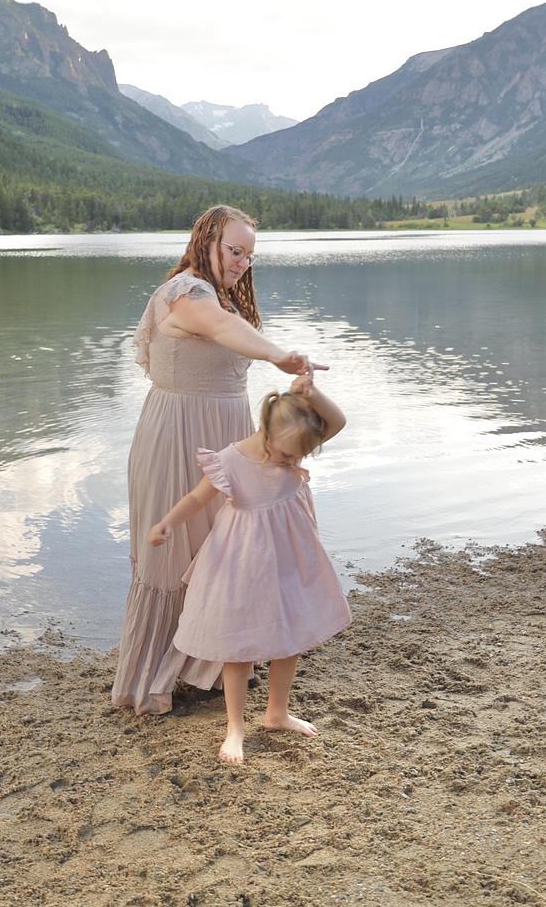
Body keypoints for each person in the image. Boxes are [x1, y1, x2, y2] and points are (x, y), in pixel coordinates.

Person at [111, 205, 324, 715]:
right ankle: (160, 670)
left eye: (249, 255)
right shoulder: (184, 293)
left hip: (228, 433)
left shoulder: (224, 296)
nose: (241, 262)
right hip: (178, 434)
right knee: (176, 551)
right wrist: (277, 354)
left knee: (227, 548)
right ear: (205, 240)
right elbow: (221, 329)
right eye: (234, 251)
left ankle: (211, 662)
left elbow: (231, 328)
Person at [148, 372, 351, 764]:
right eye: (287, 456)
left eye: (299, 458)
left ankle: (277, 712)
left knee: (289, 638)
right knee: (237, 647)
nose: (293, 463)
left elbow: (338, 421)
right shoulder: (230, 460)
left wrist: (312, 394)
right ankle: (235, 727)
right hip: (241, 562)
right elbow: (197, 498)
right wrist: (169, 523)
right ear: (266, 433)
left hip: (290, 560)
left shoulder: (297, 437)